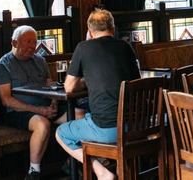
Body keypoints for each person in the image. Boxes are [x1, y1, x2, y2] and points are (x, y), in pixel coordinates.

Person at [55, 9, 140, 180]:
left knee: (61, 133)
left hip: (107, 129)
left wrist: (86, 80)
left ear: (89, 32)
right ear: (113, 29)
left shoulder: (83, 48)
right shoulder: (126, 47)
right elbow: (136, 82)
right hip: (136, 125)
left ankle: (101, 172)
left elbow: (69, 88)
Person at [0, 25, 73, 180]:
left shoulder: (40, 61)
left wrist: (53, 104)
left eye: (34, 42)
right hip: (20, 112)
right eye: (27, 42)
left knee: (82, 115)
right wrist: (39, 110)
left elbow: (51, 88)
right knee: (43, 124)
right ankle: (33, 172)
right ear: (14, 42)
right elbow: (6, 100)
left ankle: (72, 162)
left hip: (46, 108)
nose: (32, 46)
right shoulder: (3, 65)